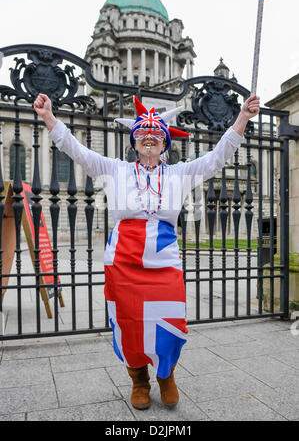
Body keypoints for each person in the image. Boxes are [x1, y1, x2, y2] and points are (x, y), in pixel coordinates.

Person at [34, 92, 260, 410]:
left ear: (164, 142)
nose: (149, 139)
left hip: (164, 261)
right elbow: (76, 150)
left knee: (171, 320)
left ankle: (166, 375)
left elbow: (217, 158)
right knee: (128, 323)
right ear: (134, 141)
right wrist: (49, 118)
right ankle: (139, 379)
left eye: (155, 135)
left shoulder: (179, 174)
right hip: (123, 262)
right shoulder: (115, 170)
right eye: (142, 134)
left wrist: (242, 118)